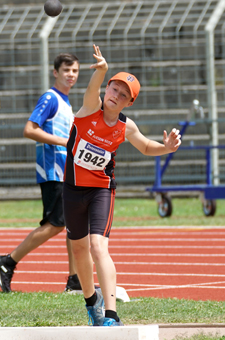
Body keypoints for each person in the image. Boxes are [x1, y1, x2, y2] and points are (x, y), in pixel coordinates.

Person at [62, 44, 182, 327]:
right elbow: (92, 90)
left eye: (123, 94)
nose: (116, 95)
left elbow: (145, 146)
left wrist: (166, 148)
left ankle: (112, 315)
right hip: (72, 189)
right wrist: (101, 71)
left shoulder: (125, 126)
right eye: (114, 88)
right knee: (78, 249)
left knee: (97, 246)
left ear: (129, 103)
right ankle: (92, 302)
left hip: (101, 190)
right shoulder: (90, 108)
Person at [0, 52, 82, 293]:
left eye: (75, 71)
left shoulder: (65, 102)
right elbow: (29, 129)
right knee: (56, 225)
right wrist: (62, 141)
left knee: (73, 225)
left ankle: (74, 280)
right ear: (55, 72)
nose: (71, 75)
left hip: (65, 171)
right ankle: (7, 261)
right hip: (52, 171)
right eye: (66, 70)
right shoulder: (51, 98)